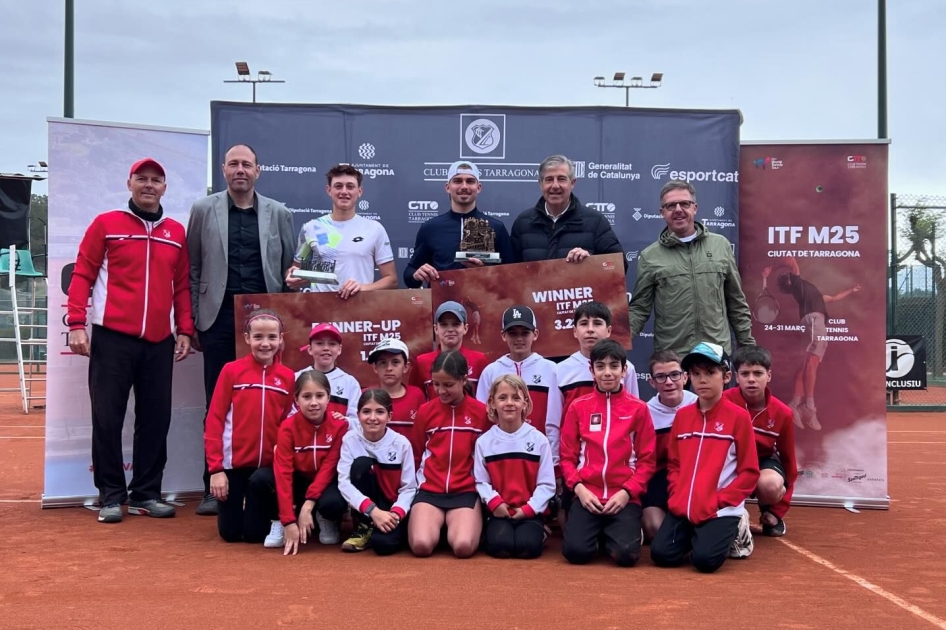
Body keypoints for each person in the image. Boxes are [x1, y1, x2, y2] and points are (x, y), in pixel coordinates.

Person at [67, 157, 194, 524]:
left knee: (156, 418)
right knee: (107, 416)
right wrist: (77, 323)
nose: (149, 185)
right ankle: (110, 495)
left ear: (165, 188)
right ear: (130, 183)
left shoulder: (175, 232)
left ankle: (146, 493)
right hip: (112, 338)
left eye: (156, 180)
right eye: (143, 179)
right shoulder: (106, 225)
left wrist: (184, 329)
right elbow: (82, 275)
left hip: (159, 341)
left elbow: (181, 285)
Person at [187, 143, 296, 516]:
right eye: (233, 164)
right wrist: (193, 319)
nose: (240, 170)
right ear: (223, 169)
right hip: (217, 318)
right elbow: (194, 267)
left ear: (258, 170)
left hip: (266, 323)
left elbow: (287, 271)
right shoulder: (203, 209)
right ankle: (212, 484)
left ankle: (267, 485)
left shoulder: (279, 213)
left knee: (269, 403)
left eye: (246, 164)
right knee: (217, 403)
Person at [650, 342, 760, 573]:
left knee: (705, 561)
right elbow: (674, 463)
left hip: (719, 507)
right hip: (685, 505)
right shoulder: (682, 416)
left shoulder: (739, 418)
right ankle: (701, 535)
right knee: (661, 555)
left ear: (727, 376)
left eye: (710, 373)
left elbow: (749, 473)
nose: (702, 380)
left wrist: (720, 501)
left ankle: (738, 526)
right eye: (696, 374)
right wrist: (677, 493)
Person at [628, 179, 754, 357]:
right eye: (671, 206)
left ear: (695, 208)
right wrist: (617, 342)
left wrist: (747, 345)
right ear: (662, 212)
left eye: (684, 204)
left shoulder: (720, 245)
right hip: (673, 356)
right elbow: (639, 308)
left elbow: (736, 301)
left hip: (715, 352)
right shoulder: (650, 256)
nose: (678, 209)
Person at [559, 339, 656, 566]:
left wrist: (627, 492)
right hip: (587, 496)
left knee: (626, 557)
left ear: (624, 370)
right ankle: (600, 534)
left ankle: (622, 533)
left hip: (622, 497)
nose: (607, 373)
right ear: (592, 370)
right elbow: (567, 457)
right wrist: (580, 490)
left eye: (614, 366)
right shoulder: (578, 407)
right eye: (600, 366)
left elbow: (647, 460)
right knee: (575, 553)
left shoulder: (639, 409)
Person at [204, 310, 296, 543]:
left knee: (255, 535)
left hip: (265, 471)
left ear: (281, 339)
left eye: (272, 337)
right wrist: (216, 470)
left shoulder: (287, 377)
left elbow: (287, 422)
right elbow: (214, 419)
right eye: (258, 337)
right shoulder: (231, 371)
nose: (265, 344)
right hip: (233, 466)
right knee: (230, 534)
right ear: (247, 338)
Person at [250, 370, 349, 555]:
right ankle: (277, 520)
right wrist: (288, 521)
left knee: (334, 502)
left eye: (320, 396)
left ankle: (323, 516)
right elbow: (284, 473)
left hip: (323, 483)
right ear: (296, 400)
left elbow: (328, 468)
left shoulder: (340, 426)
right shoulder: (287, 427)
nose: (313, 403)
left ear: (329, 397)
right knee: (261, 478)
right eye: (306, 396)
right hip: (297, 482)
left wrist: (309, 504)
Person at [763, 255, 862, 430]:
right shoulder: (796, 283)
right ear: (789, 281)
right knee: (813, 362)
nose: (791, 272)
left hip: (810, 323)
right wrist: (772, 267)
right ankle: (809, 407)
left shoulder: (812, 293)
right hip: (815, 321)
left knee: (806, 366)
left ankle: (794, 404)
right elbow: (790, 259)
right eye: (788, 275)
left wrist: (851, 290)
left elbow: (833, 298)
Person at [409, 351, 490, 558]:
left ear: (464, 380)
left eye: (448, 385)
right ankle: (437, 526)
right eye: (436, 384)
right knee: (421, 545)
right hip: (430, 491)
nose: (440, 391)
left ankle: (458, 526)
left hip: (465, 492)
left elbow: (487, 460)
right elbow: (417, 454)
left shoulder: (482, 413)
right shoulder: (425, 412)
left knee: (463, 547)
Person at [474, 375, 556, 560]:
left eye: (516, 398)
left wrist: (530, 509)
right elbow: (480, 481)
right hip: (499, 511)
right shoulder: (484, 442)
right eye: (502, 398)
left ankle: (541, 530)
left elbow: (547, 484)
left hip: (528, 512)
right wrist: (495, 503)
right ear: (492, 403)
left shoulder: (539, 440)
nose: (509, 403)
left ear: (525, 403)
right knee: (501, 549)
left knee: (527, 549)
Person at [286, 164, 397, 298]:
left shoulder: (374, 228)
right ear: (329, 190)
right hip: (320, 310)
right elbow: (296, 269)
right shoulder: (311, 228)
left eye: (350, 186)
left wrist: (363, 288)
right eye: (338, 186)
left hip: (360, 311)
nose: (344, 191)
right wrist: (292, 276)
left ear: (360, 191)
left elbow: (391, 280)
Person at [475, 306, 561, 474]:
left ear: (535, 334)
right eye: (513, 333)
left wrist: (554, 464)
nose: (519, 338)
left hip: (540, 457)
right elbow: (483, 419)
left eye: (525, 333)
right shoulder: (491, 371)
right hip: (500, 458)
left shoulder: (551, 369)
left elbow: (555, 421)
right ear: (503, 335)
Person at [404, 160, 516, 287]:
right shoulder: (430, 228)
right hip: (442, 304)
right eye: (457, 181)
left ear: (478, 187)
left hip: (484, 302)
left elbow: (512, 276)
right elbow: (409, 273)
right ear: (447, 187)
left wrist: (485, 271)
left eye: (470, 181)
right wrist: (416, 275)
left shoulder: (496, 227)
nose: (464, 186)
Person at [725, 345, 797, 537]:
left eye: (758, 373)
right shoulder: (723, 401)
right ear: (736, 377)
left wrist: (778, 509)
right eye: (745, 373)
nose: (751, 379)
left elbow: (789, 462)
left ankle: (768, 508)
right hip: (728, 461)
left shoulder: (783, 413)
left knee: (771, 485)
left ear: (769, 376)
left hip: (761, 462)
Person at [338, 389, 418, 555]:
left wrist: (396, 514)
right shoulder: (349, 439)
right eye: (366, 411)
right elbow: (344, 482)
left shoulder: (402, 444)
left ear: (389, 416)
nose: (372, 418)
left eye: (380, 412)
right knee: (361, 464)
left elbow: (409, 487)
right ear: (358, 415)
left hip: (392, 506)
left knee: (383, 546)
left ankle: (398, 528)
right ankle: (364, 526)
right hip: (367, 508)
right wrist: (372, 511)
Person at [510, 154, 625, 269]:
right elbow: (509, 273)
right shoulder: (523, 223)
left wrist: (591, 261)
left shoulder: (596, 222)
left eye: (561, 179)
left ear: (573, 183)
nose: (555, 186)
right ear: (540, 183)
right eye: (549, 179)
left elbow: (619, 266)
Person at [642, 350, 698, 542]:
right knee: (653, 529)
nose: (668, 382)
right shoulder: (645, 413)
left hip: (694, 477)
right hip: (660, 478)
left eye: (674, 374)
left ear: (685, 377)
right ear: (651, 382)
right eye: (661, 377)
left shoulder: (701, 405)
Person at [557, 301, 639, 416]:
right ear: (575, 331)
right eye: (584, 323)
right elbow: (554, 423)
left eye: (597, 323)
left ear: (608, 331)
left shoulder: (627, 368)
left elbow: (634, 411)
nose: (590, 329)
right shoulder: (560, 370)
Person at [409, 301, 489, 400]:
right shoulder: (422, 362)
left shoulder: (479, 360)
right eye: (444, 324)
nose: (450, 329)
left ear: (465, 328)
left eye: (456, 324)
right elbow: (415, 399)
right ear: (436, 329)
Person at [294, 323, 362, 425]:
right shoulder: (296, 378)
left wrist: (345, 421)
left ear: (339, 349)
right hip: (304, 439)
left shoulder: (350, 383)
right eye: (319, 343)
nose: (326, 348)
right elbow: (289, 415)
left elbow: (358, 421)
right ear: (310, 349)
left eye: (332, 344)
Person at [366, 338, 426, 438]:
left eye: (395, 362)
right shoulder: (366, 395)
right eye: (383, 363)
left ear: (406, 367)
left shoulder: (417, 395)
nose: (389, 368)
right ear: (375, 367)